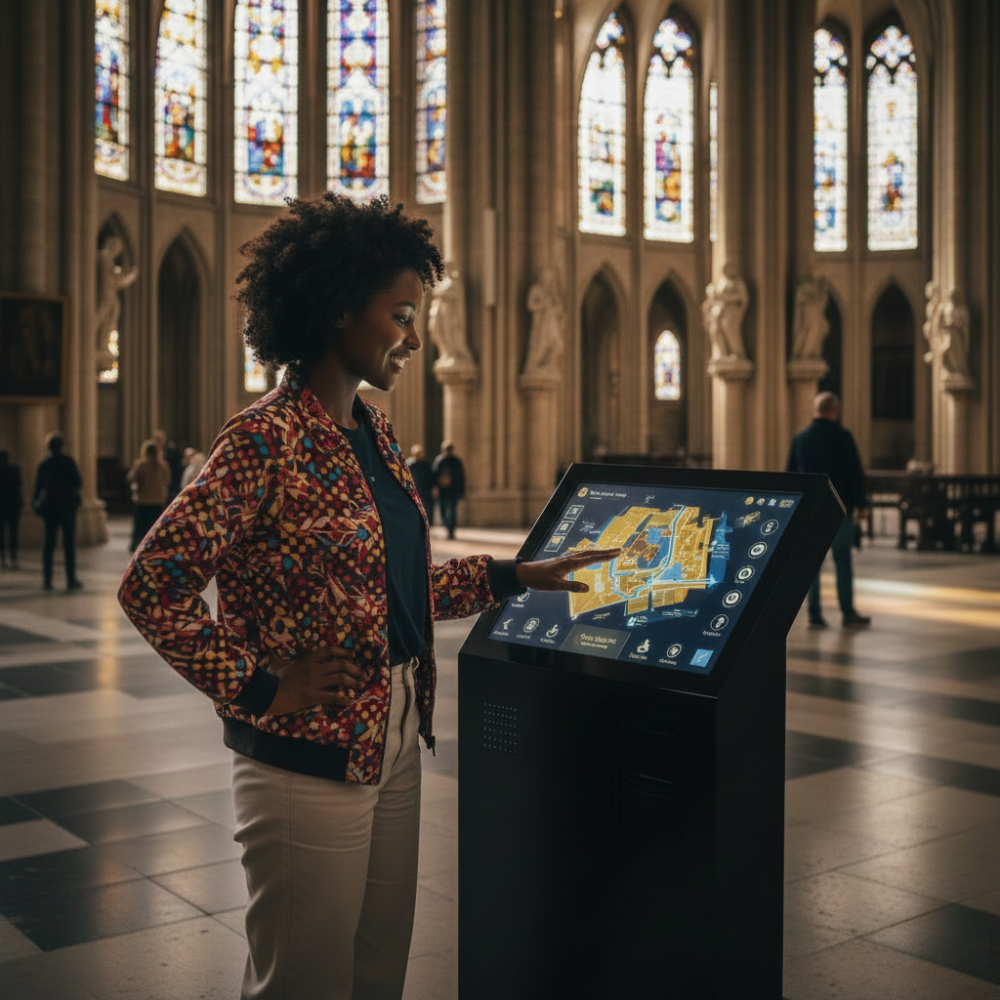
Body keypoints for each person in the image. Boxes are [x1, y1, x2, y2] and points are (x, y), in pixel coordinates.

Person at [116, 192, 619, 1000]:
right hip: (303, 758)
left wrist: (510, 576)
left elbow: (393, 586)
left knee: (377, 972)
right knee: (303, 982)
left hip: (391, 741)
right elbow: (152, 586)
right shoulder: (261, 441)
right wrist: (257, 688)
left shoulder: (375, 436)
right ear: (339, 310)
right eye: (401, 314)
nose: (415, 337)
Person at [787, 391, 871, 629]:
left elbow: (791, 476)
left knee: (813, 564)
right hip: (839, 509)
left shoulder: (800, 439)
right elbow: (854, 473)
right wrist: (862, 504)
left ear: (816, 410)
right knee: (842, 560)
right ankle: (847, 612)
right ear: (835, 410)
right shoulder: (842, 437)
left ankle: (814, 614)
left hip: (810, 511)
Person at [31, 432, 83, 591]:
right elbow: (78, 482)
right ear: (61, 446)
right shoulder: (68, 462)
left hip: (50, 509)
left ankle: (47, 579)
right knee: (69, 546)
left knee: (48, 545)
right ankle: (71, 578)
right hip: (67, 508)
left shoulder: (44, 464)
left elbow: (38, 487)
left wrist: (36, 505)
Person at [127, 439, 171, 551]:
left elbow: (131, 478)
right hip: (158, 500)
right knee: (155, 525)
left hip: (143, 500)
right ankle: (156, 545)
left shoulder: (141, 464)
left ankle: (137, 544)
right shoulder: (163, 465)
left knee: (140, 525)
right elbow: (167, 480)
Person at [432, 440, 465, 540]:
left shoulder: (456, 461)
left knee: (452, 511)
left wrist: (461, 491)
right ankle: (448, 528)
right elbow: (434, 476)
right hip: (444, 491)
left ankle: (450, 530)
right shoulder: (440, 461)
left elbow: (461, 477)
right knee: (445, 510)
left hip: (452, 490)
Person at [0, 450, 23, 570]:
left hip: (1, 506)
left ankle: (2, 559)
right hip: (13, 506)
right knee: (13, 534)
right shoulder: (14, 470)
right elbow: (19, 485)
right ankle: (13, 558)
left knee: (1, 534)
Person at [405, 444, 434, 521]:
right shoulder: (409, 464)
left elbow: (431, 478)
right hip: (413, 489)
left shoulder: (426, 465)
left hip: (425, 490)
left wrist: (433, 487)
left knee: (426, 508)